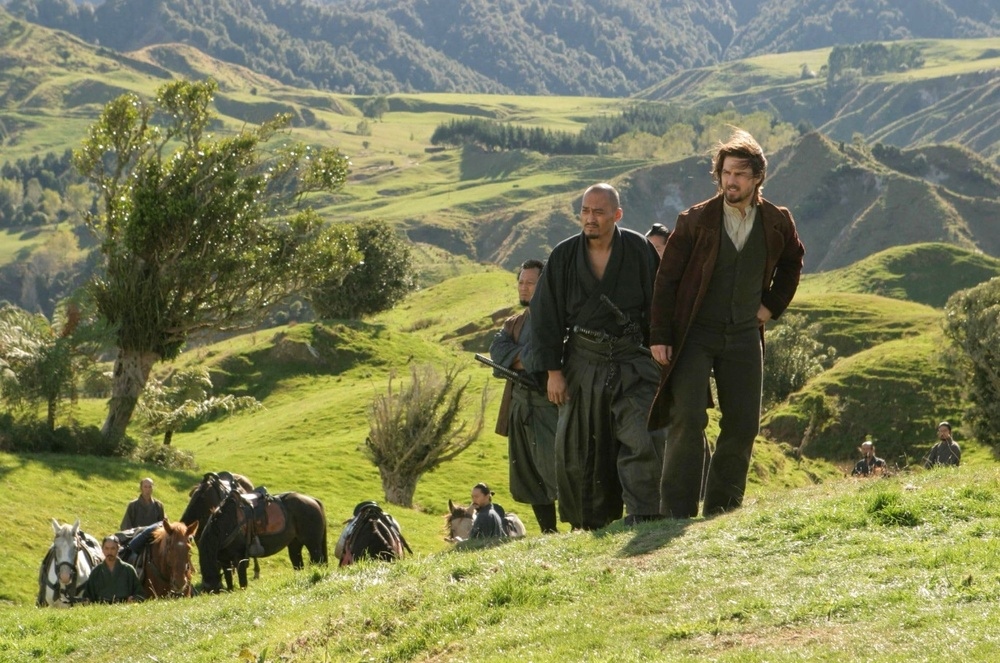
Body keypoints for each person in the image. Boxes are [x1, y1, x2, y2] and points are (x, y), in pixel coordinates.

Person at [648, 128, 805, 518]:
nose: (730, 181)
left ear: (757, 178)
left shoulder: (775, 221)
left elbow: (792, 263)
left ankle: (722, 509)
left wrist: (770, 307)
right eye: (725, 173)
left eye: (739, 174)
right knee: (686, 417)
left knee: (743, 424)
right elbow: (666, 280)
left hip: (743, 335)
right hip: (695, 334)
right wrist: (660, 336)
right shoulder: (695, 220)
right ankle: (676, 514)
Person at [530, 182, 665, 530]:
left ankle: (645, 514)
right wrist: (553, 372)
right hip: (582, 361)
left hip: (631, 359)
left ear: (616, 215)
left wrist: (661, 351)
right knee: (581, 449)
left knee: (642, 435)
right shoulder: (563, 256)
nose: (590, 218)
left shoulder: (637, 249)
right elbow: (546, 316)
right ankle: (589, 522)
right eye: (585, 211)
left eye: (598, 212)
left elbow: (658, 306)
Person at [489, 258, 559, 534]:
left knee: (558, 468)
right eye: (521, 282)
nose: (524, 288)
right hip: (519, 406)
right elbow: (497, 351)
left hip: (549, 405)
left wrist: (517, 358)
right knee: (529, 474)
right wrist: (525, 357)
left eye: (531, 282)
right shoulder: (514, 323)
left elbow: (545, 355)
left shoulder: (557, 318)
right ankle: (548, 531)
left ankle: (579, 526)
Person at [84, 535, 144, 604]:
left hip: (124, 606)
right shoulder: (96, 572)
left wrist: (133, 599)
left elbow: (140, 594)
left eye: (113, 548)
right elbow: (88, 596)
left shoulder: (128, 570)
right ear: (102, 550)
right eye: (106, 548)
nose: (109, 552)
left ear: (118, 549)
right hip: (102, 607)